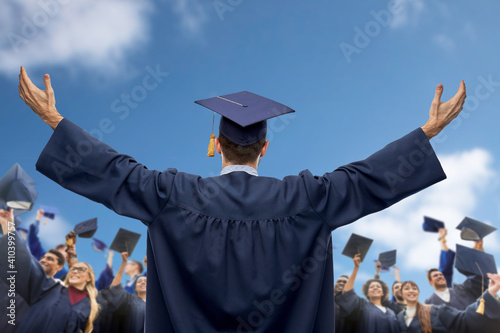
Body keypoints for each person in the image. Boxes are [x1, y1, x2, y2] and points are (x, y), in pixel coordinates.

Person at [17, 66, 466, 332]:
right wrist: (427, 132)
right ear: (265, 148)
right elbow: (367, 179)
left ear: (217, 143)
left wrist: (54, 118)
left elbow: (113, 170)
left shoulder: (170, 193)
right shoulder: (308, 197)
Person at [0, 209, 101, 333]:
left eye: (81, 270)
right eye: (73, 269)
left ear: (89, 277)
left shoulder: (91, 307)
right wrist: (8, 225)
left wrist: (71, 250)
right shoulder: (48, 288)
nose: (74, 271)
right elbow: (23, 261)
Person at [398, 278, 500, 333]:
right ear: (401, 294)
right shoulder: (397, 318)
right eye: (407, 289)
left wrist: (489, 294)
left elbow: (463, 319)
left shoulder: (435, 310)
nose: (411, 291)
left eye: (414, 288)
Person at [336, 254, 400, 332]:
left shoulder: (392, 312)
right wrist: (356, 268)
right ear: (367, 293)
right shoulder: (362, 305)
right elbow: (348, 293)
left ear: (383, 292)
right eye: (371, 287)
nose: (375, 288)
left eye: (378, 286)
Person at [425, 239, 486, 310]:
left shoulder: (461, 289)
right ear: (430, 281)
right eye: (435, 275)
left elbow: (478, 277)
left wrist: (479, 249)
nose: (440, 276)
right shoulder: (430, 302)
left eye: (441, 275)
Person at [98, 252, 146, 333]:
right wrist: (123, 263)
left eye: (145, 281)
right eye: (139, 281)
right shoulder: (131, 299)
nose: (143, 282)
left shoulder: (157, 305)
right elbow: (115, 288)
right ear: (135, 289)